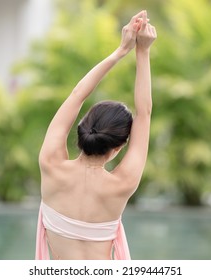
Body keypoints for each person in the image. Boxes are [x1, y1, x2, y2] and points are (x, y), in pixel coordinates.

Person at [35, 10, 156, 260]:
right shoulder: (123, 184)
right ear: (118, 147)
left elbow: (77, 95)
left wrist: (120, 51)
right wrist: (142, 51)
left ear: (82, 127)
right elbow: (144, 113)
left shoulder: (50, 164)